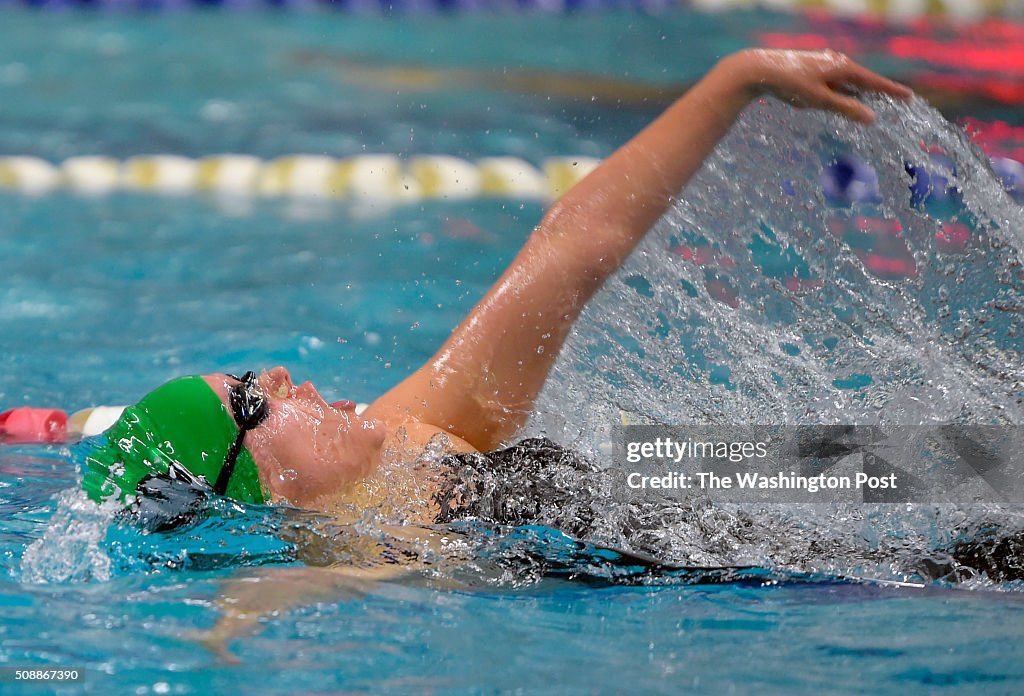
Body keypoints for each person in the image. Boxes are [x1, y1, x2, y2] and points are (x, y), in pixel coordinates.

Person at [82, 49, 912, 527]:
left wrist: (737, 78)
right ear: (257, 493)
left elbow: (572, 250)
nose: (278, 378)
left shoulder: (409, 440)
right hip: (816, 576)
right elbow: (253, 616)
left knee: (964, 464)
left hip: (711, 490)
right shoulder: (364, 567)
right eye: (252, 404)